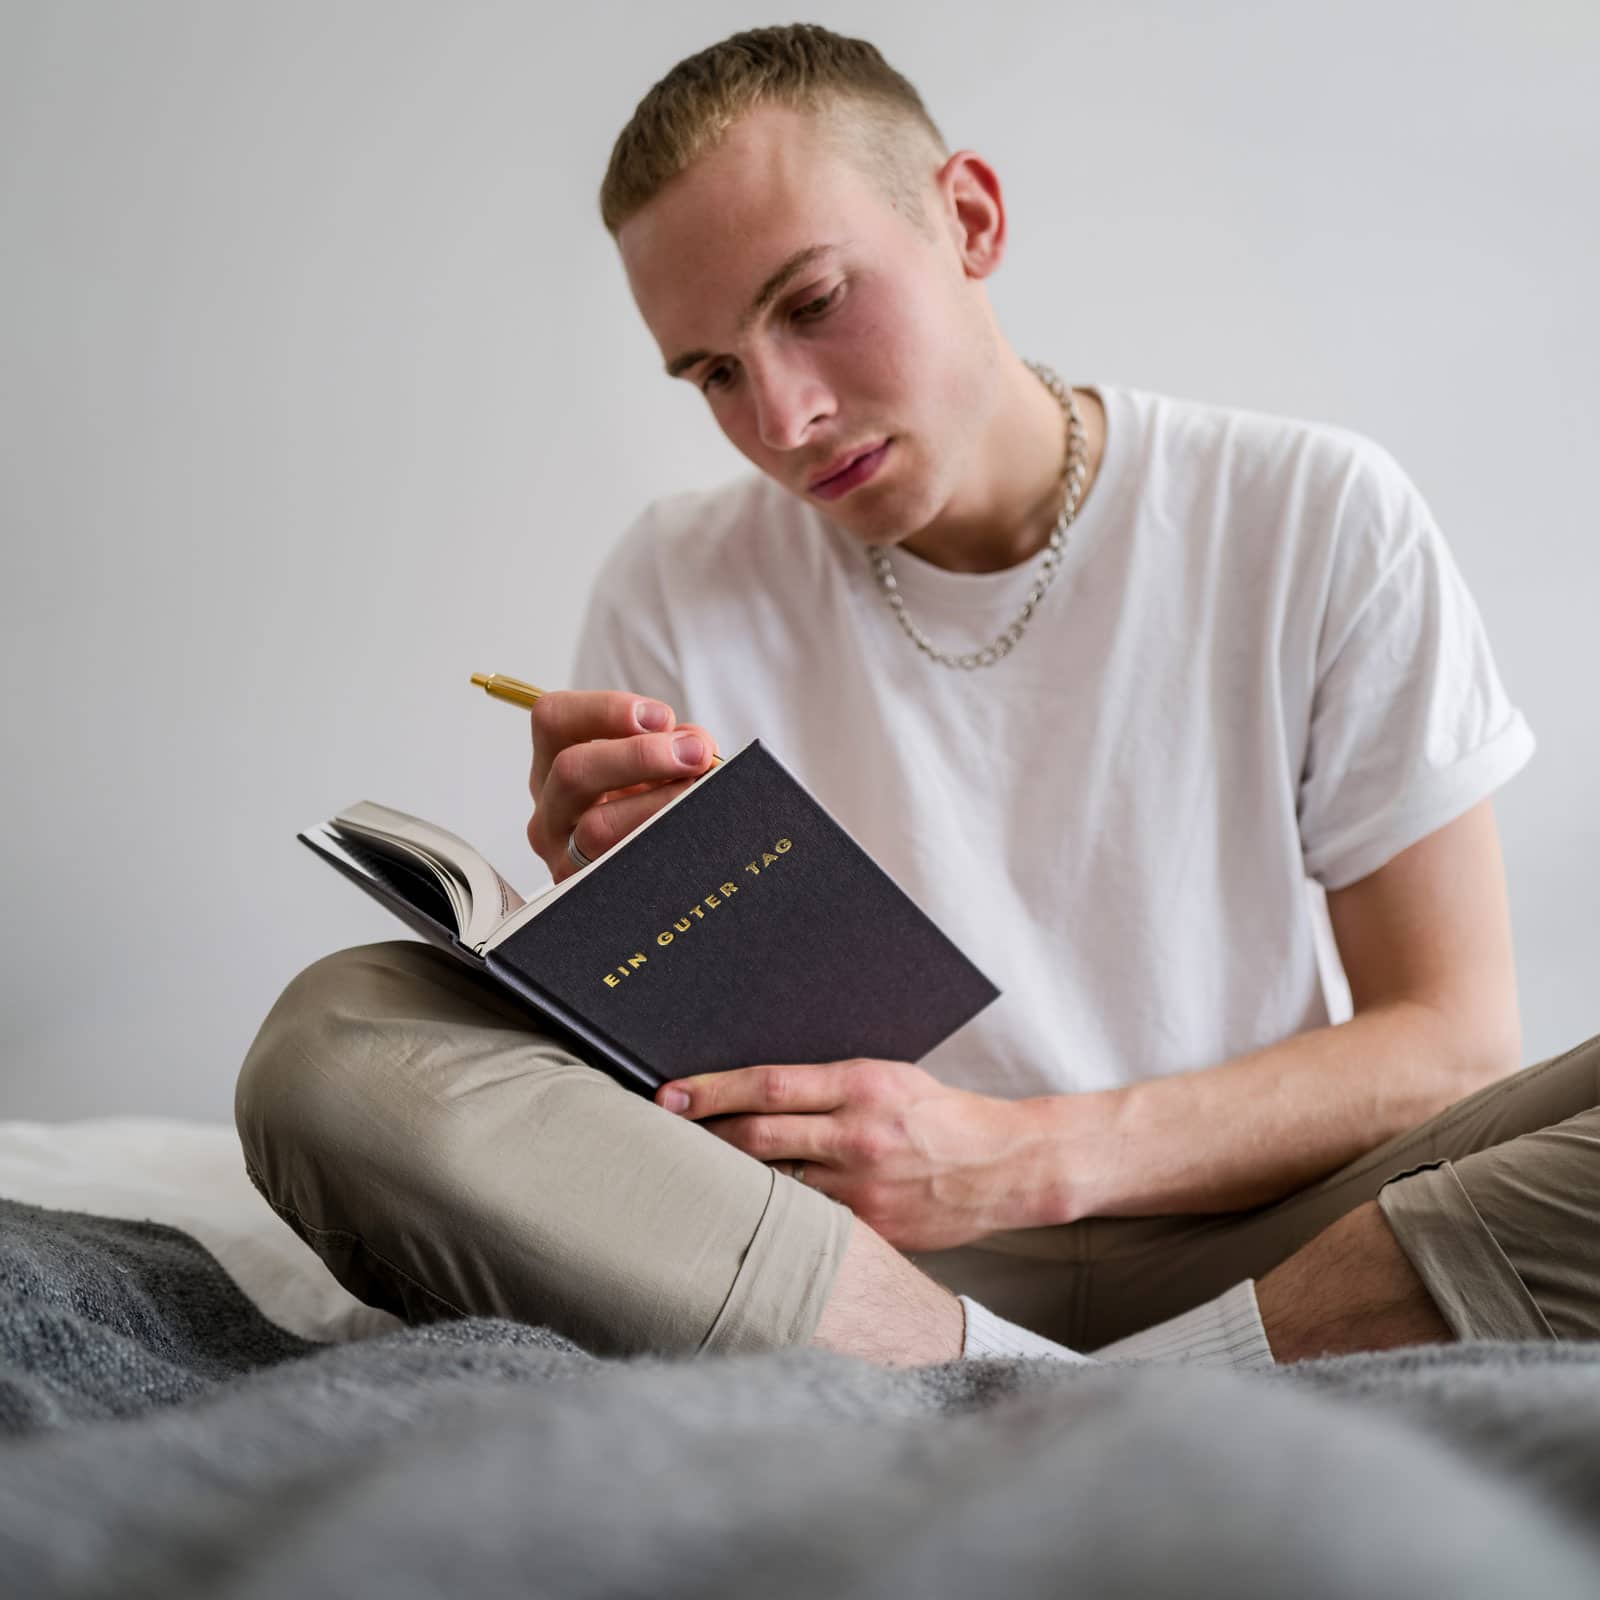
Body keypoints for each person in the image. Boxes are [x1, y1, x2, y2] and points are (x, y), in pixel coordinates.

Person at [237, 26, 1596, 1370]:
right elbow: (664, 1117)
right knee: (335, 1041)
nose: (781, 416)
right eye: (713, 371)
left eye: (813, 303)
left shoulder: (1310, 515)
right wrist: (607, 929)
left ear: (970, 218)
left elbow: (1450, 1044)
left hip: (1277, 1224)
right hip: (858, 1255)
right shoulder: (676, 576)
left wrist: (1020, 1159)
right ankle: (987, 1362)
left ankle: (1127, 1373)